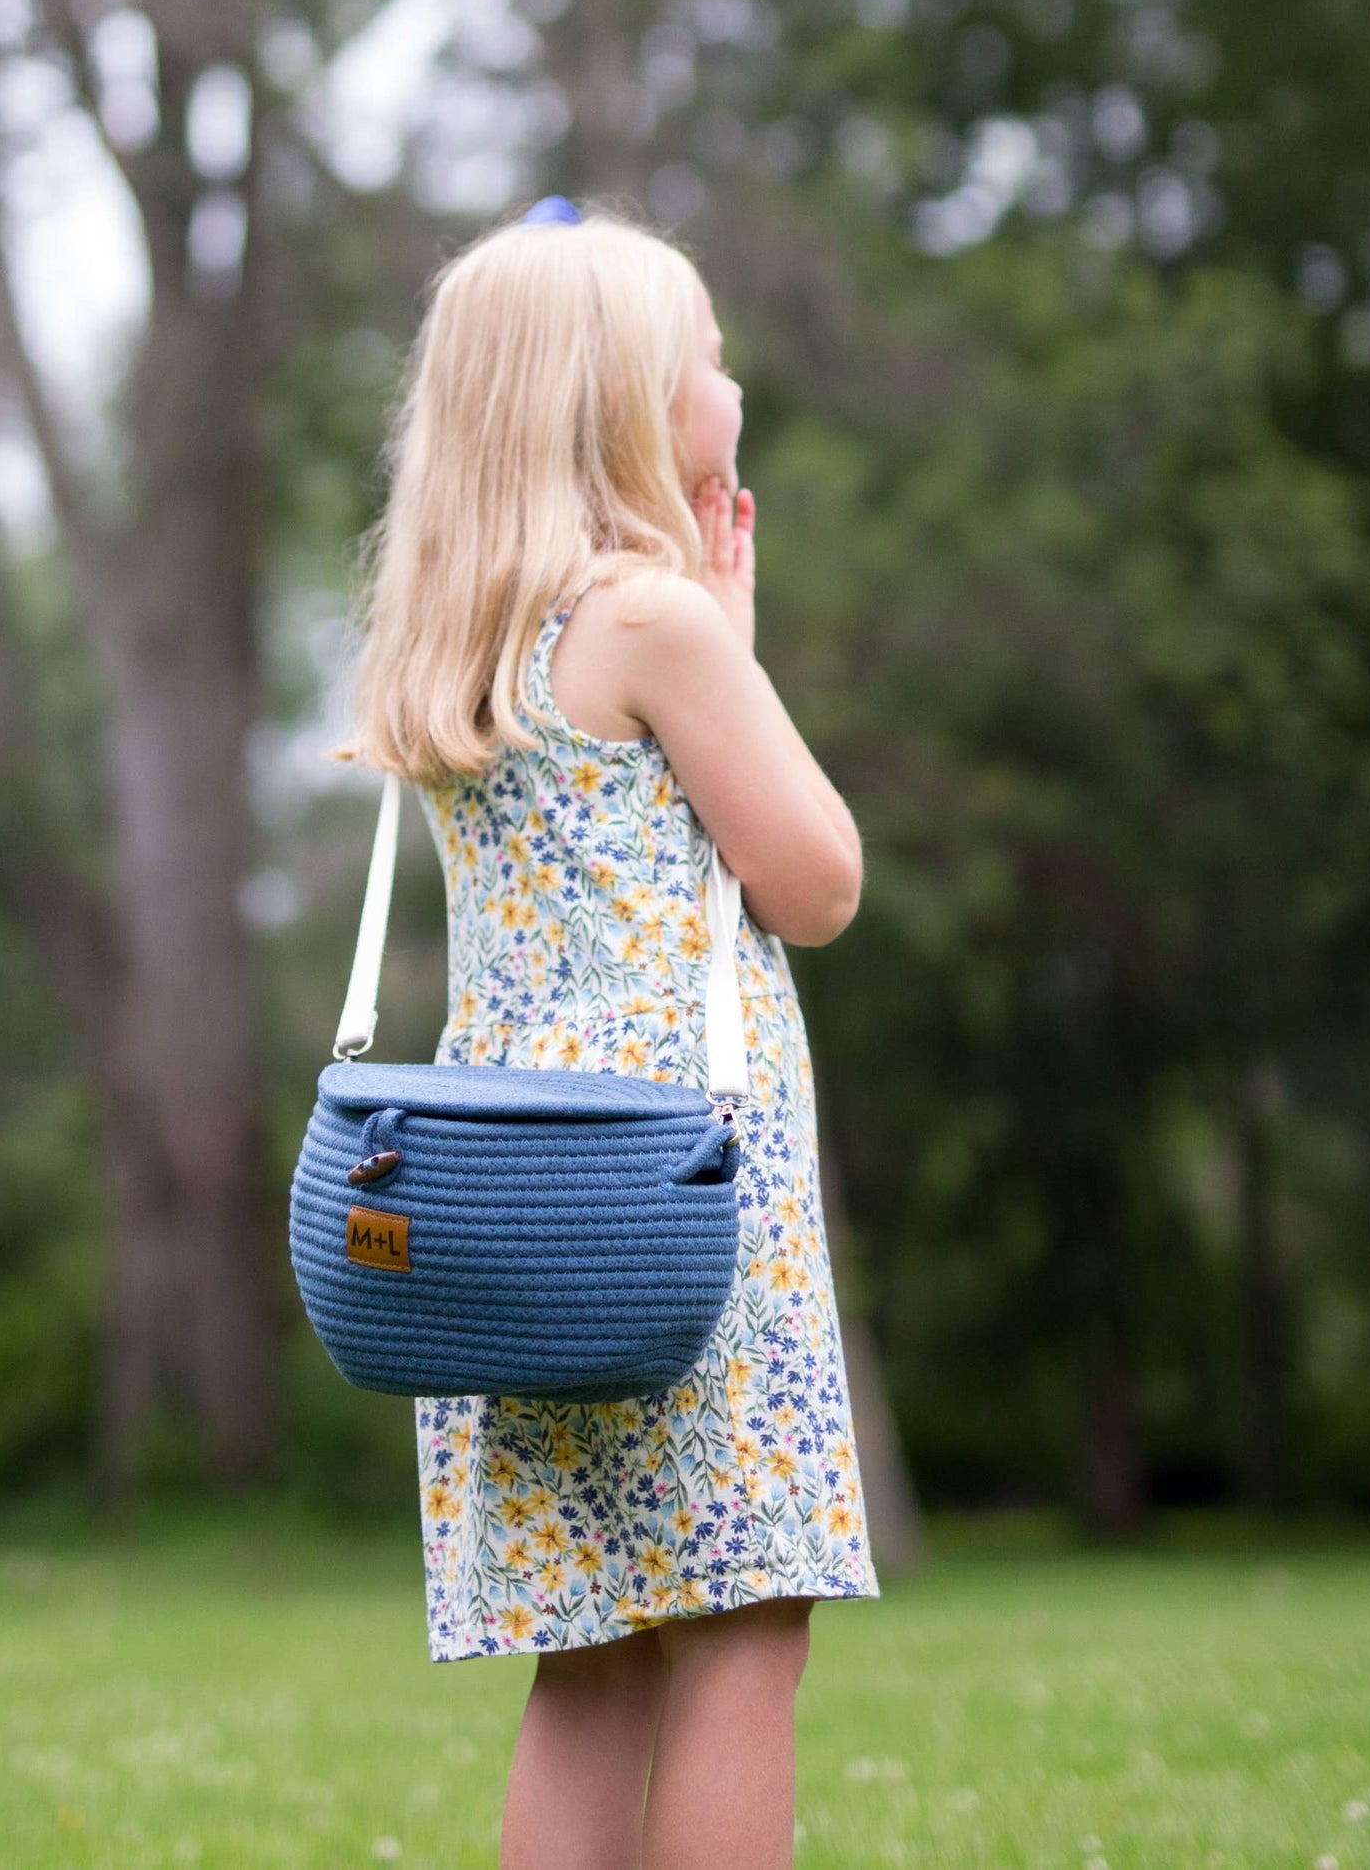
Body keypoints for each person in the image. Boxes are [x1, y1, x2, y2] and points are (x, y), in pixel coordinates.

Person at [349, 201, 877, 1870]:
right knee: (741, 1625)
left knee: (589, 1655)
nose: (729, 377)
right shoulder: (656, 620)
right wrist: (734, 635)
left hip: (514, 1201)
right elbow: (813, 883)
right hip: (677, 1186)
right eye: (703, 354)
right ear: (630, 406)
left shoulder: (462, 640)